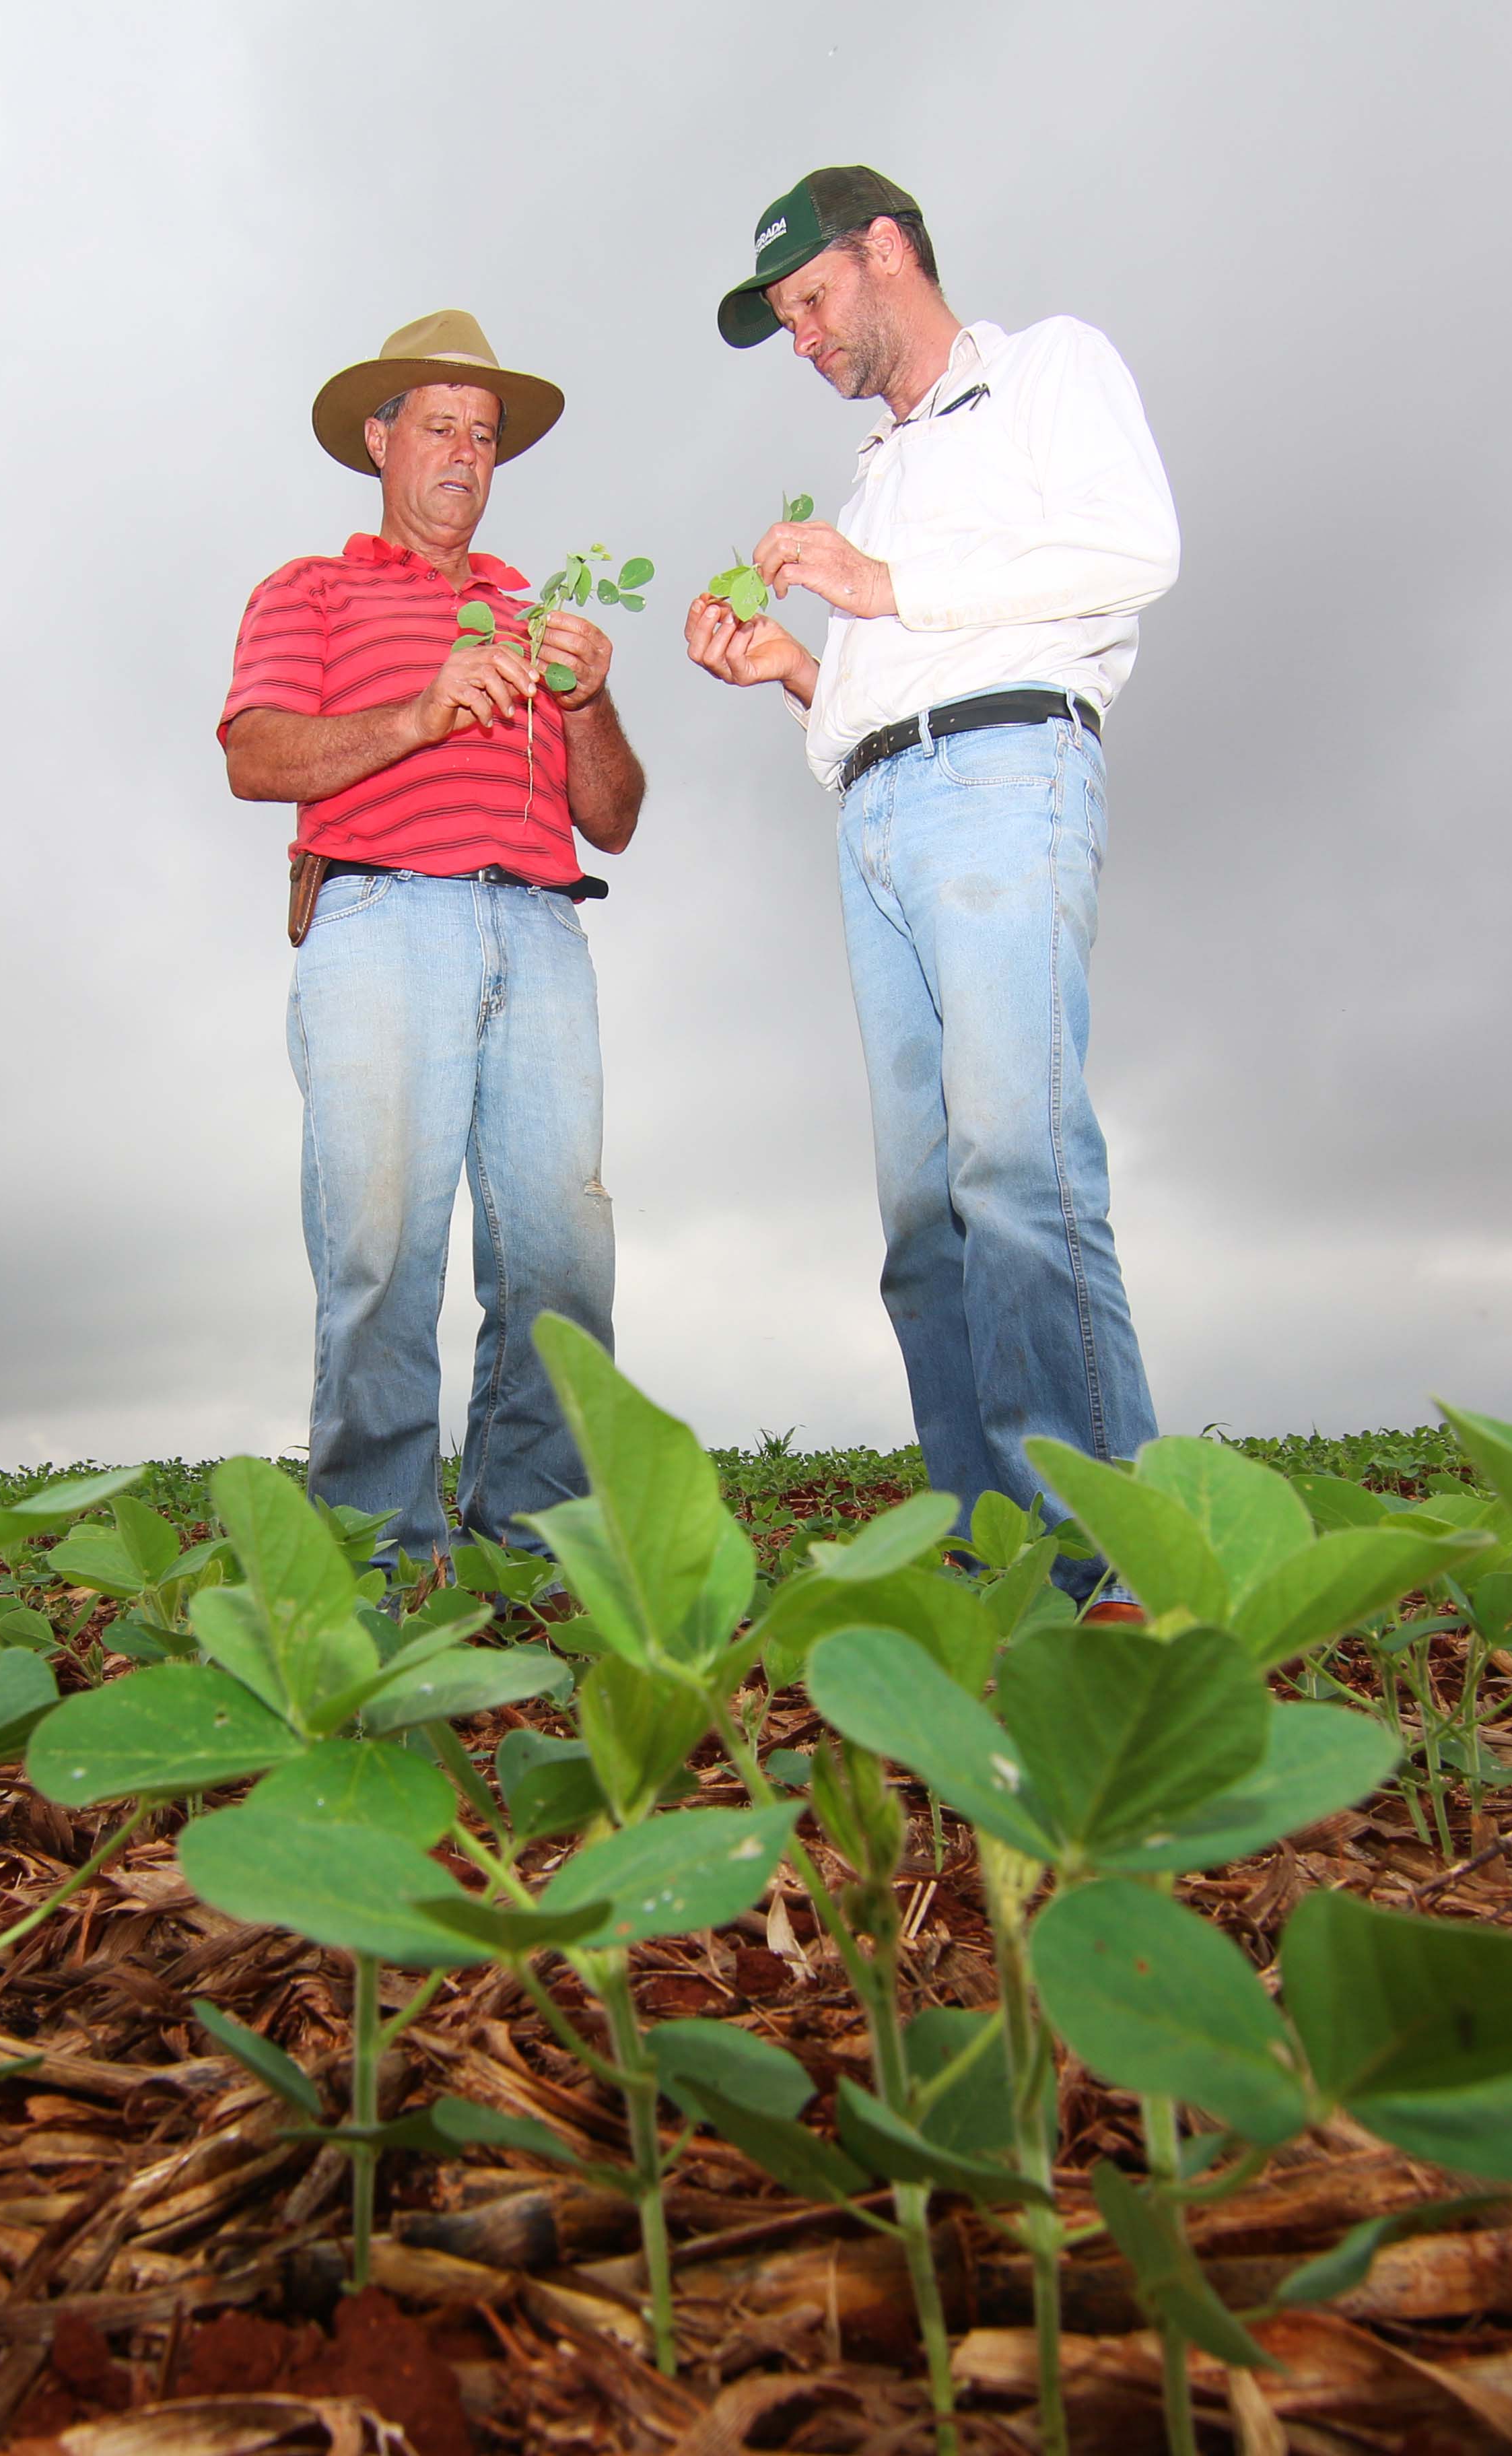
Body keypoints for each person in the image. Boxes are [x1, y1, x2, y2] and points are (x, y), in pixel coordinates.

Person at [684, 170, 1178, 1587]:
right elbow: (884, 678)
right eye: (785, 320)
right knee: (923, 1224)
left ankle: (1117, 1572)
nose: (804, 340)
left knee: (1016, 1168)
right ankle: (999, 1568)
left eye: (811, 302)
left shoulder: (1046, 371)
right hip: (880, 811)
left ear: (884, 252)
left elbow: (1138, 547)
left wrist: (882, 583)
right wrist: (793, 666)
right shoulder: (877, 471)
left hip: (1005, 783)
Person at [221, 310, 648, 1561]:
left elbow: (614, 819)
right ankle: (378, 1562)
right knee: (380, 1248)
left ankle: (533, 1547)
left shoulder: (535, 609)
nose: (465, 453)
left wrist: (591, 695)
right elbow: (254, 754)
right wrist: (418, 714)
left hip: (545, 930)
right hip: (378, 913)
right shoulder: (311, 589)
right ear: (380, 438)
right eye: (439, 427)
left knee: (563, 1259)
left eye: (485, 434)